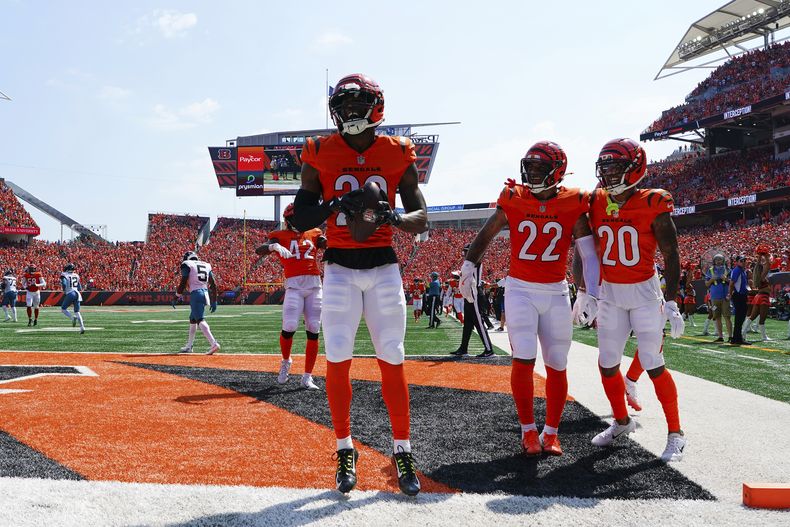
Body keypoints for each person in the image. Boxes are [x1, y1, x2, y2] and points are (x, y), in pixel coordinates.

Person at [289, 73, 427, 496]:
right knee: (339, 358)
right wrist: (332, 204)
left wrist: (392, 218)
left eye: (356, 104)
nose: (349, 112)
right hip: (340, 269)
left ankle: (402, 449)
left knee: (392, 357)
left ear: (375, 106)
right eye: (343, 105)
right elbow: (300, 217)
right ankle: (345, 447)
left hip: (383, 266)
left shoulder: (397, 152)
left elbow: (421, 215)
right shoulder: (319, 152)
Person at [460, 141, 600, 456]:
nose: (533, 173)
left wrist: (589, 292)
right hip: (520, 289)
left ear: (557, 171)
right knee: (523, 360)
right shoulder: (513, 198)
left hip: (555, 292)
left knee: (557, 365)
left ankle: (551, 433)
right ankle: (528, 431)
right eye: (531, 167)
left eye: (540, 168)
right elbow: (485, 235)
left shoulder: (574, 201)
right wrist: (469, 267)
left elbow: (588, 254)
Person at [587, 138, 686, 463]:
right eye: (606, 168)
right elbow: (583, 245)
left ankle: (676, 435)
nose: (609, 174)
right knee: (606, 364)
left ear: (635, 167)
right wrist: (586, 289)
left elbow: (671, 255)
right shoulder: (596, 201)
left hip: (645, 295)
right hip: (611, 295)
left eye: (616, 168)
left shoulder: (653, 201)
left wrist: (671, 302)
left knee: (654, 364)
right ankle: (621, 421)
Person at [256, 203, 326, 389]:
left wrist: (327, 241)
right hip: (294, 287)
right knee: (289, 326)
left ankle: (307, 376)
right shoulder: (279, 235)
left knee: (313, 329)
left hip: (314, 286)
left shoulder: (315, 232)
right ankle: (286, 361)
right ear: (288, 219)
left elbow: (325, 244)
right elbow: (259, 250)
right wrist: (274, 247)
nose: (299, 220)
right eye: (295, 216)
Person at [452, 243, 495, 358]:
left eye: (467, 251)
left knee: (479, 322)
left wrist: (476, 249)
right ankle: (463, 348)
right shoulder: (468, 263)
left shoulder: (475, 261)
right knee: (468, 323)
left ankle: (489, 349)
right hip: (468, 294)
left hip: (475, 293)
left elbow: (481, 255)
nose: (465, 254)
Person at [177, 251, 220, 355]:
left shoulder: (187, 264)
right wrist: (214, 300)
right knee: (193, 319)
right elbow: (213, 284)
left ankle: (213, 343)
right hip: (205, 293)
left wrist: (177, 294)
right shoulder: (206, 264)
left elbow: (183, 280)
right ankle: (189, 346)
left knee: (200, 319)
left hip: (196, 294)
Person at [743, 247, 773, 341]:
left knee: (752, 317)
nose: (764, 268)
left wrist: (760, 256)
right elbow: (768, 266)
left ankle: (742, 333)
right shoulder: (762, 276)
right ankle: (764, 337)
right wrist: (766, 256)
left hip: (758, 297)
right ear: (761, 270)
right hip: (763, 297)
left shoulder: (757, 275)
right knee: (762, 319)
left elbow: (759, 266)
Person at [704, 254, 731, 342]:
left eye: (720, 259)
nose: (718, 261)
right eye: (717, 260)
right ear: (714, 261)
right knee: (717, 317)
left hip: (725, 297)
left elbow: (732, 283)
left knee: (727, 317)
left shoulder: (727, 270)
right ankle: (720, 336)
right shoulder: (710, 270)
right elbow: (706, 284)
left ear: (723, 260)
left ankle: (730, 336)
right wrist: (712, 279)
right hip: (714, 297)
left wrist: (726, 279)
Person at [729, 255, 751, 345]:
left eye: (744, 260)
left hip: (742, 295)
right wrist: (729, 294)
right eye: (741, 261)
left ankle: (736, 338)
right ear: (737, 262)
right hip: (739, 296)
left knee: (740, 317)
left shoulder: (742, 271)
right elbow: (731, 283)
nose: (743, 262)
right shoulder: (737, 270)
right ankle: (736, 338)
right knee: (739, 317)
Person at [60, 263, 84, 334]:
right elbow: (80, 287)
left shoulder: (64, 275)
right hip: (77, 294)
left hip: (70, 293)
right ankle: (82, 327)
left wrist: (64, 290)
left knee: (63, 309)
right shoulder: (76, 275)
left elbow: (64, 284)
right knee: (77, 312)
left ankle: (72, 318)